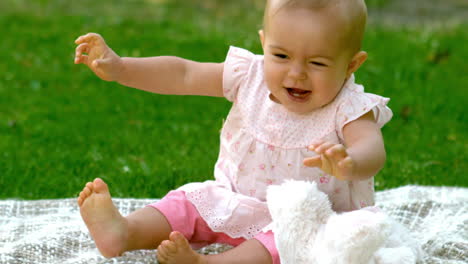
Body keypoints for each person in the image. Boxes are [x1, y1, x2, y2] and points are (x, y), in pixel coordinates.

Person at [74, 0, 393, 263]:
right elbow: (184, 73)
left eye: (318, 64)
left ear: (351, 64)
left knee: (288, 242)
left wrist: (349, 161)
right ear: (264, 43)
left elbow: (372, 149)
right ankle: (124, 231)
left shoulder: (349, 106)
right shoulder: (248, 76)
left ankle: (209, 263)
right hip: (231, 198)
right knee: (187, 202)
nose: (296, 73)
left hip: (305, 220)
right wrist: (121, 68)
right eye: (281, 56)